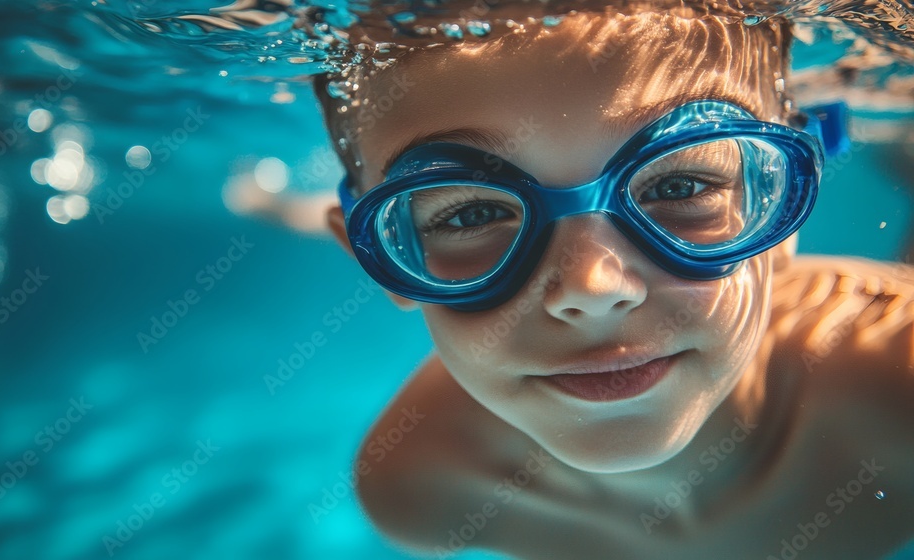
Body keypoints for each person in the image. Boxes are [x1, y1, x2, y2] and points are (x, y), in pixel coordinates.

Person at [312, 5, 914, 559]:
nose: (592, 288)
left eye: (679, 187)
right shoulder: (426, 487)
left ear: (785, 207)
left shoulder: (898, 386)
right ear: (375, 256)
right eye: (473, 214)